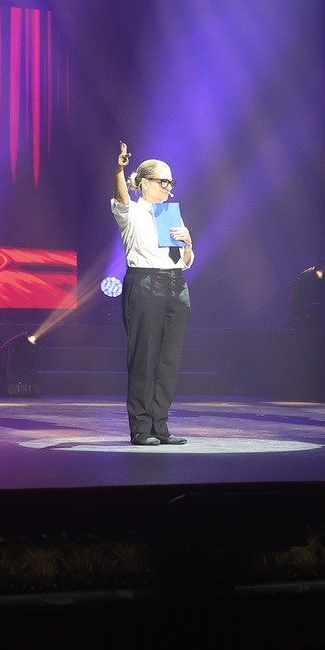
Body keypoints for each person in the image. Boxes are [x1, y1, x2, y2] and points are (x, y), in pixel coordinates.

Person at [112, 141, 192, 446]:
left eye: (171, 182)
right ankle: (141, 428)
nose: (169, 188)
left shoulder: (171, 213)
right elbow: (121, 196)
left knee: (168, 360)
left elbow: (185, 260)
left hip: (176, 283)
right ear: (144, 183)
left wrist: (188, 244)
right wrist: (119, 169)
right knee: (144, 358)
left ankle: (161, 425)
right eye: (163, 182)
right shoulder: (131, 211)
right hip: (145, 282)